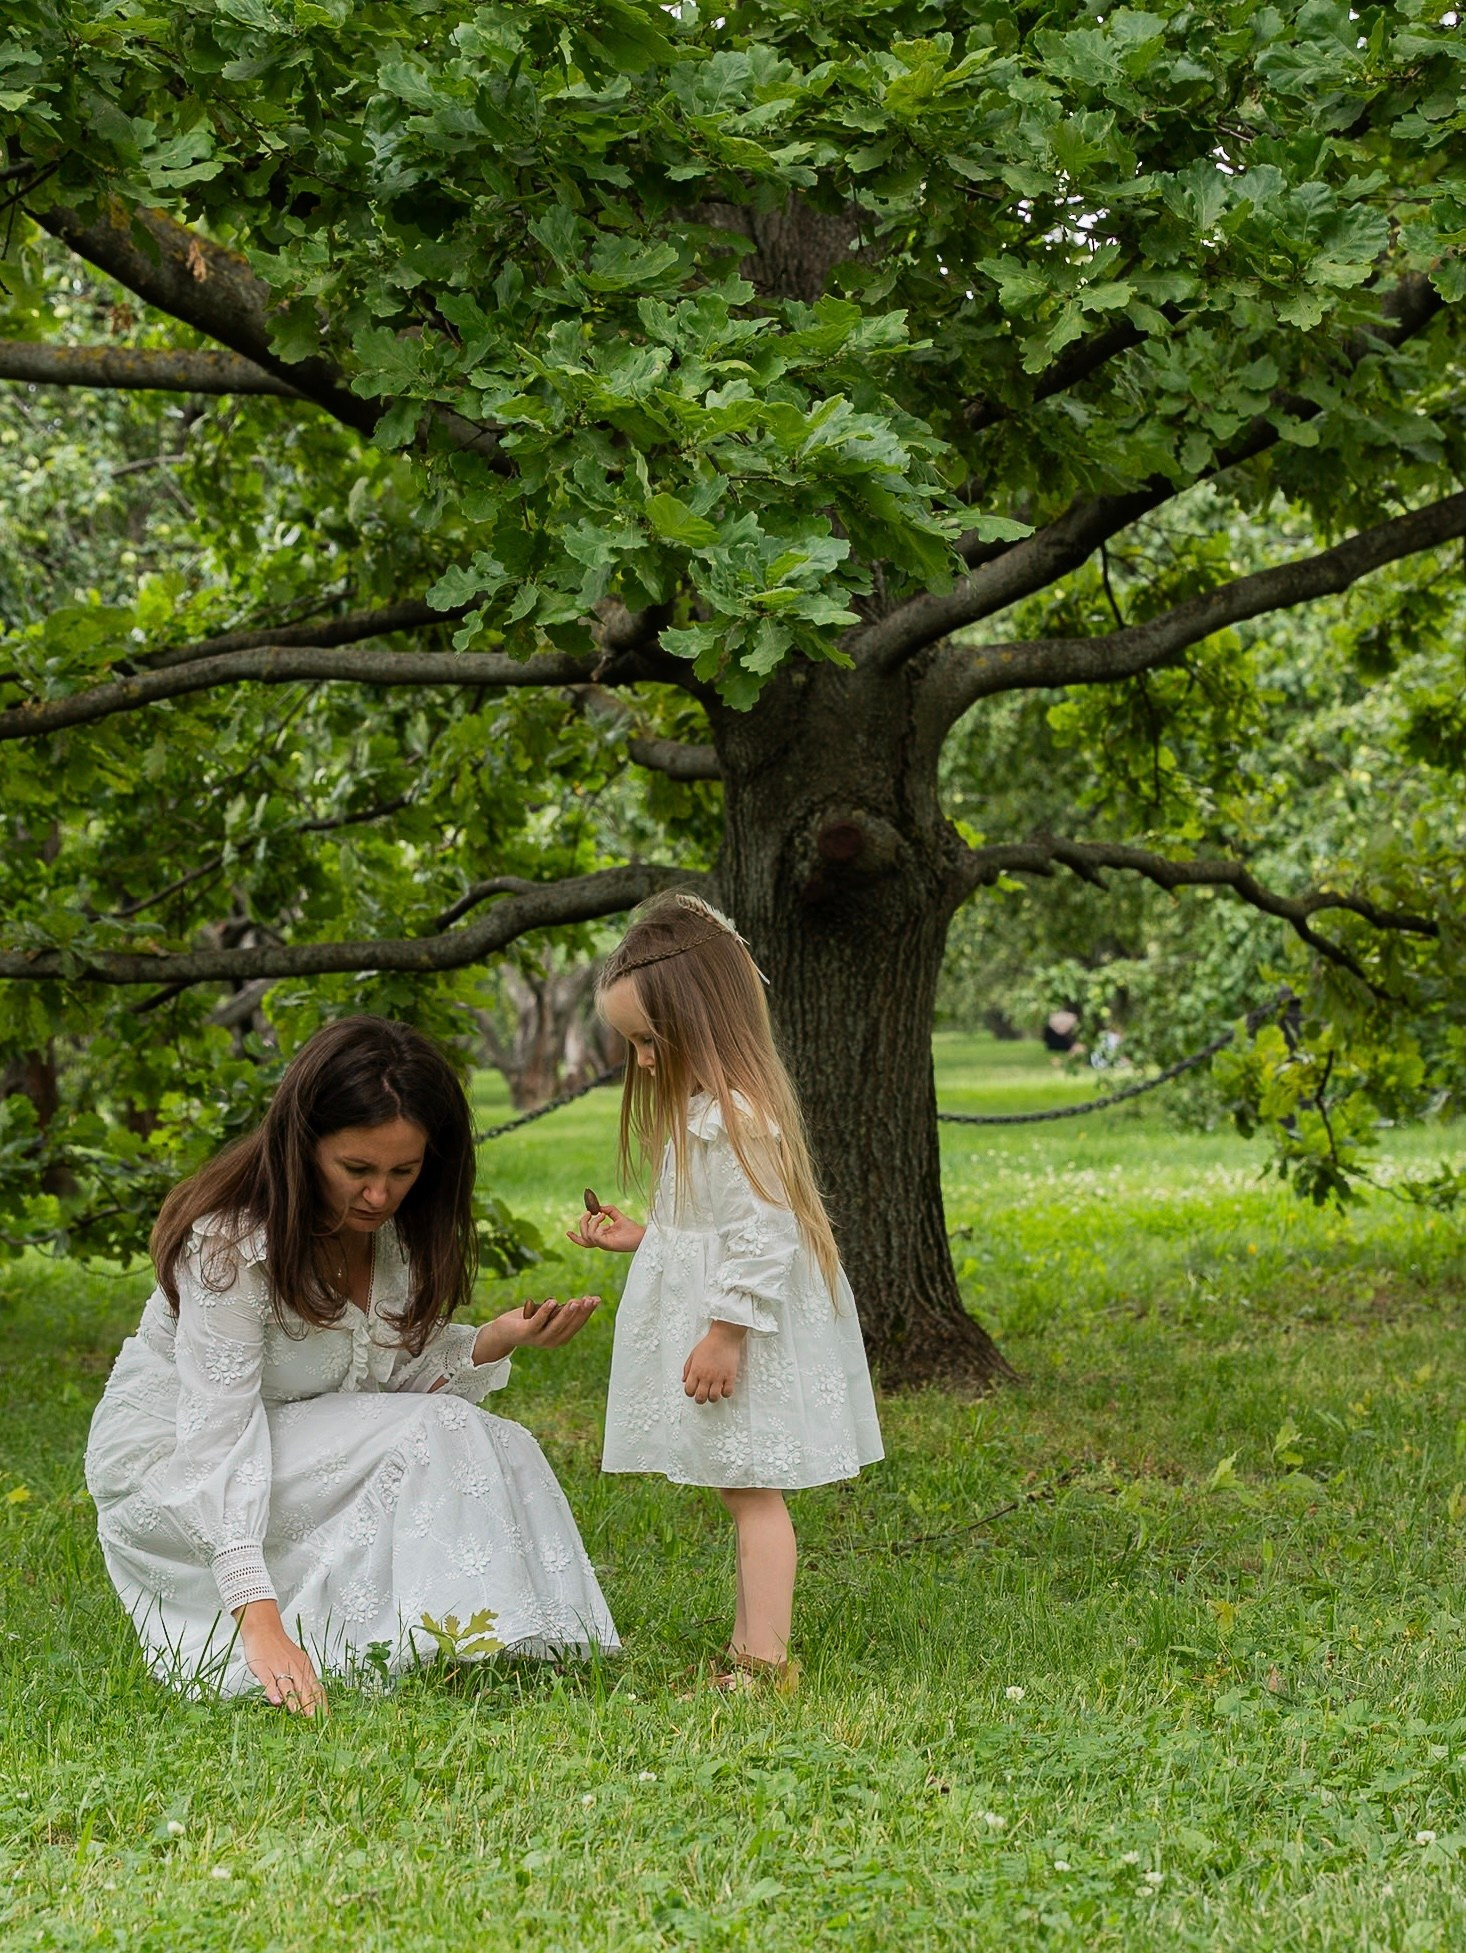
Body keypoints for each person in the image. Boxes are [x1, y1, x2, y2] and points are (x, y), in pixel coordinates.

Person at [85, 1016, 617, 1715]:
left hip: (286, 1438)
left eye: (404, 1170)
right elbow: (218, 1439)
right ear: (302, 1146)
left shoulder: (390, 1232)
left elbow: (372, 1384)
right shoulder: (228, 1248)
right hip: (174, 1470)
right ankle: (428, 1636)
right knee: (437, 1429)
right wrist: (260, 1623)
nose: (380, 1194)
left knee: (491, 1437)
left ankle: (488, 1636)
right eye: (357, 1169)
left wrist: (492, 1339)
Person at [565, 893, 882, 1688]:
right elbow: (715, 1225)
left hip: (747, 1329)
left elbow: (766, 1233)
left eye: (648, 1039)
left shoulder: (737, 1116)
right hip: (730, 1313)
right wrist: (645, 1236)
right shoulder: (708, 1111)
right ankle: (748, 1648)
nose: (641, 1059)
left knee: (751, 1497)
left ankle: (765, 1659)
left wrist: (726, 1332)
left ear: (701, 1020)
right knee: (739, 1488)